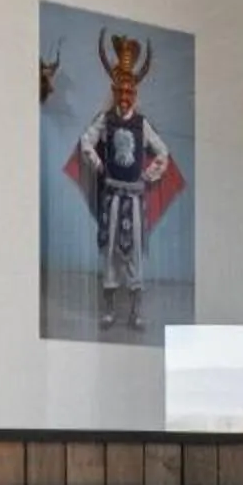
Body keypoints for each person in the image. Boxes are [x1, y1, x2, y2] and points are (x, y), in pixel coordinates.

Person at [70, 32, 184, 333]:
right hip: (112, 198)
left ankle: (135, 311)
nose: (124, 97)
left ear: (135, 93)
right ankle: (108, 310)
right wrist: (98, 165)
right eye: (120, 91)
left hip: (134, 199)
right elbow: (85, 143)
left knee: (133, 251)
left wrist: (149, 175)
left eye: (129, 92)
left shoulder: (141, 124)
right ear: (113, 89)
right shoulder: (105, 120)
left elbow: (163, 152)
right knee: (108, 251)